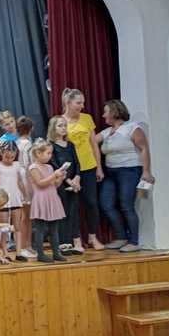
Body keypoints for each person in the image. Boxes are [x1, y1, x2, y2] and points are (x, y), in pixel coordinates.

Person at [97, 100, 155, 252]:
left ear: (115, 112)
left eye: (106, 112)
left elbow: (144, 149)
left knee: (126, 205)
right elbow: (90, 141)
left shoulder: (132, 128)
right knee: (106, 204)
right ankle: (121, 237)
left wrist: (146, 171)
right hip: (110, 172)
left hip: (129, 171)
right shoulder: (106, 132)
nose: (103, 115)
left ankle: (134, 242)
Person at [62, 88, 105, 250]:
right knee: (73, 206)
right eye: (78, 103)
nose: (82, 106)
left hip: (88, 167)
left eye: (83, 102)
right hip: (71, 171)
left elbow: (94, 144)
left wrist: (99, 167)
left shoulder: (87, 118)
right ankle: (76, 240)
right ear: (68, 103)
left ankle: (92, 237)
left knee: (92, 203)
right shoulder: (60, 120)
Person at [47, 116, 83, 254]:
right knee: (63, 212)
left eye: (64, 125)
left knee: (74, 212)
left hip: (74, 183)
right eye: (60, 126)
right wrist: (68, 180)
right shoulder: (51, 146)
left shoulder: (70, 145)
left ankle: (75, 242)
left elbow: (77, 163)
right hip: (60, 184)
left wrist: (77, 178)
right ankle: (63, 242)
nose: (63, 128)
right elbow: (55, 165)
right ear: (53, 128)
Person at [29, 139, 67, 263]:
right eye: (48, 153)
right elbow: (40, 183)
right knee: (40, 228)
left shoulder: (50, 167)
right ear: (38, 153)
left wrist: (60, 178)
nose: (50, 155)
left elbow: (54, 185)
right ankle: (40, 254)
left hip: (52, 198)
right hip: (41, 199)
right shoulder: (33, 167)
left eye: (51, 153)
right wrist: (54, 175)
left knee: (54, 228)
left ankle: (56, 253)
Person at [0, 141, 29, 261]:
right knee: (4, 228)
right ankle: (5, 252)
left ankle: (19, 252)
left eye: (12, 157)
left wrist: (25, 195)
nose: (9, 159)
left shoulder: (17, 165)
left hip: (16, 198)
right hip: (3, 200)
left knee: (17, 227)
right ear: (1, 152)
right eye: (7, 156)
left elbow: (20, 182)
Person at [16, 116, 36, 257]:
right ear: (31, 129)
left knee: (27, 216)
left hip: (20, 176)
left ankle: (27, 245)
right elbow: (28, 164)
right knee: (25, 216)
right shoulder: (28, 144)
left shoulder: (17, 142)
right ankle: (23, 246)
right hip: (25, 178)